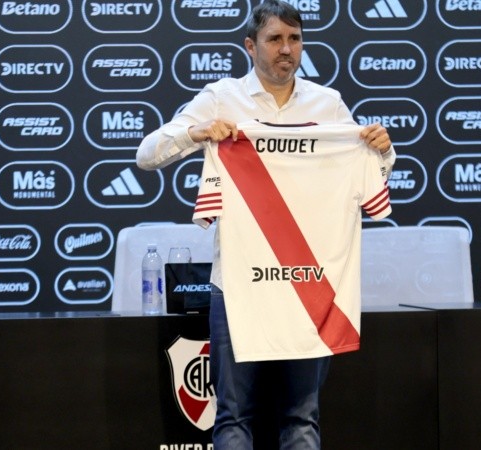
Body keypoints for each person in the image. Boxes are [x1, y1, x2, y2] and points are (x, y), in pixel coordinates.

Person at [136, 1, 396, 448]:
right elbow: (146, 155)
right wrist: (195, 134)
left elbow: (363, 179)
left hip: (309, 285)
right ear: (250, 46)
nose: (286, 49)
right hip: (240, 286)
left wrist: (381, 152)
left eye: (294, 39)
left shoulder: (328, 104)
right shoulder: (221, 98)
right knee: (234, 417)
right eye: (275, 39)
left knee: (301, 418)